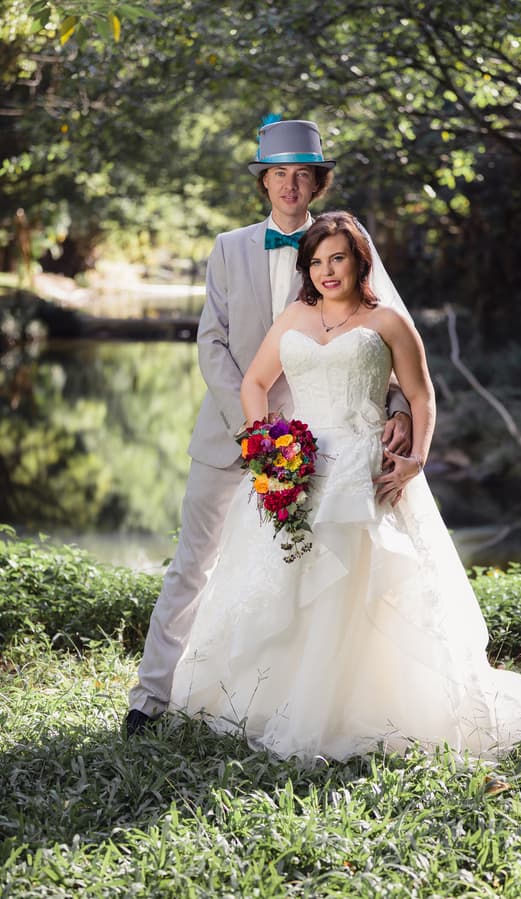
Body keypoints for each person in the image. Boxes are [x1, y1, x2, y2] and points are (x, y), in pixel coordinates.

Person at [168, 211, 521, 764]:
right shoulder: (293, 317)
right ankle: (279, 701)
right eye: (315, 261)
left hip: (366, 472)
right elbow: (255, 383)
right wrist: (268, 447)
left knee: (362, 590)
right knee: (290, 586)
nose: (326, 271)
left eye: (337, 258)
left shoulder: (387, 322)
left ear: (360, 260)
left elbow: (422, 395)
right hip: (301, 470)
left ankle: (358, 708)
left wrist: (418, 458)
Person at [125, 120, 413, 736]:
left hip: (330, 449)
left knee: (310, 571)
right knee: (193, 564)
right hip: (233, 435)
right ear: (264, 182)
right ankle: (151, 699)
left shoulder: (346, 248)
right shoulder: (229, 247)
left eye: (302, 174)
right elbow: (212, 344)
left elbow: (382, 347)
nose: (290, 185)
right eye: (278, 173)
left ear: (317, 182)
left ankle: (285, 700)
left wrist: (400, 411)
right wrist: (260, 437)